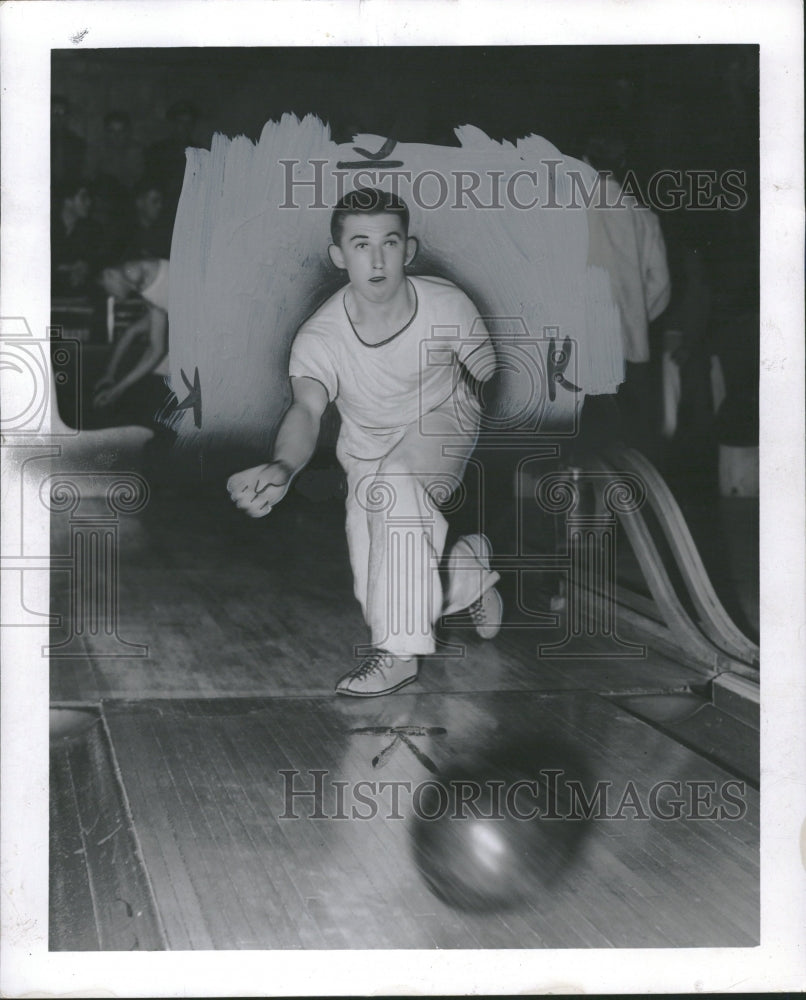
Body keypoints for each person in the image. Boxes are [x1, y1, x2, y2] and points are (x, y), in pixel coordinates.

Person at [227, 188, 502, 697]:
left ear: (409, 249)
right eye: (360, 244)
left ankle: (397, 657)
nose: (376, 260)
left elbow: (492, 376)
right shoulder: (320, 336)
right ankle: (465, 573)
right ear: (339, 256)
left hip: (444, 419)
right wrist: (285, 466)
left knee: (398, 490)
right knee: (380, 587)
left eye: (389, 243)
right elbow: (307, 408)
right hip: (367, 444)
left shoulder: (447, 304)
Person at [94, 258, 180, 436]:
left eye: (107, 290)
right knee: (157, 376)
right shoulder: (148, 290)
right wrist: (110, 375)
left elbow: (156, 350)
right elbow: (132, 333)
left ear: (109, 274)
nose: (115, 299)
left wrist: (117, 390)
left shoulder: (150, 277)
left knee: (160, 379)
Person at [51, 178, 98, 296]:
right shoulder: (47, 227)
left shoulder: (88, 231)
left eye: (89, 198)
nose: (89, 202)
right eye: (83, 198)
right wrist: (70, 268)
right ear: (67, 200)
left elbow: (92, 260)